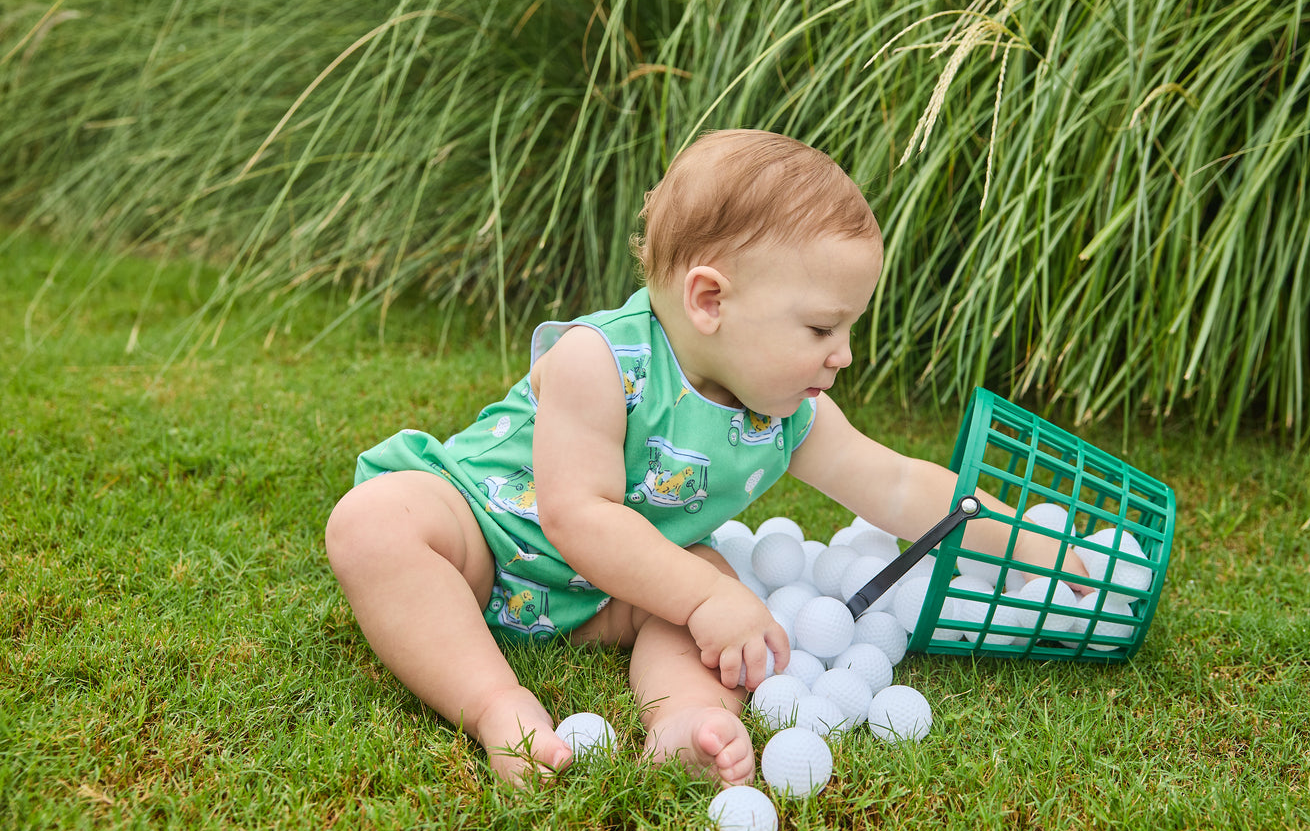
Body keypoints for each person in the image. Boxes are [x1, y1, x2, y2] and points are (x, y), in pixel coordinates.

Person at [325, 129, 1087, 788]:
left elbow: (893, 485)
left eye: (847, 329)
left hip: (607, 596)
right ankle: (496, 704)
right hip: (482, 542)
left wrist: (1036, 548)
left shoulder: (784, 415)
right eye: (821, 329)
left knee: (717, 596)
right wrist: (700, 597)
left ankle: (684, 724)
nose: (844, 354)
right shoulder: (598, 362)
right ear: (710, 301)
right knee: (374, 524)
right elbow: (576, 514)